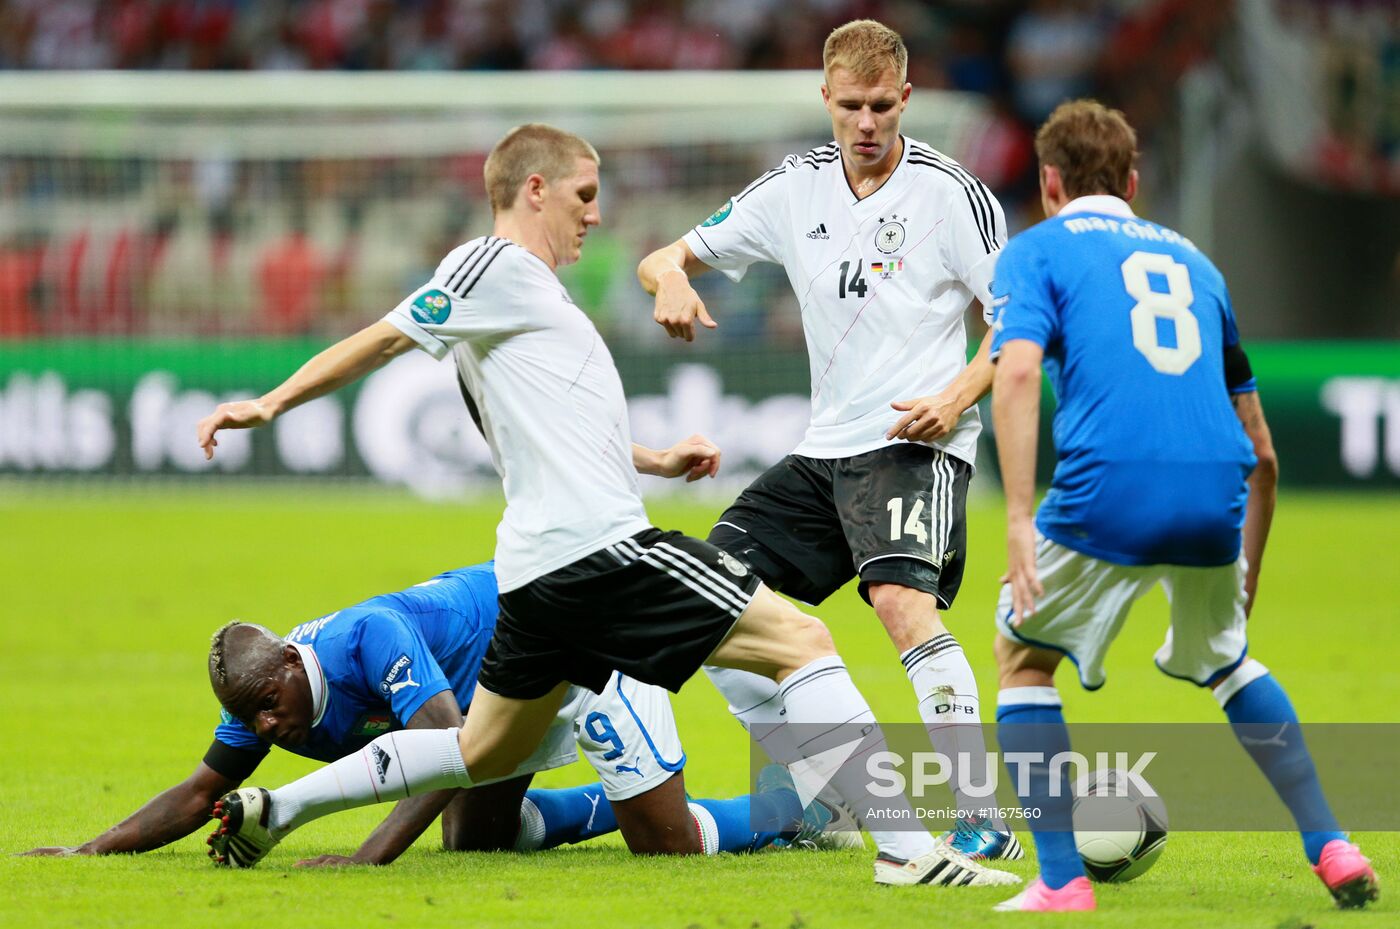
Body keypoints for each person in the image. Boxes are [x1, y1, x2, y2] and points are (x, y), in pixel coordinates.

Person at [194, 123, 1017, 887]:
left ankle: (280, 810)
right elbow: (384, 335)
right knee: (801, 639)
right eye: (585, 195)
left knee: (478, 748)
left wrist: (655, 458)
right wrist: (268, 404)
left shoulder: (534, 302)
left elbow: (543, 429)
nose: (597, 212)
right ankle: (909, 853)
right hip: (601, 552)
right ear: (536, 188)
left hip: (533, 575)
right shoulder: (490, 266)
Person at [637, 19, 1018, 859]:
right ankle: (830, 796)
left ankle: (983, 812)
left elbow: (1020, 318)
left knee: (898, 602)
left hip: (914, 443)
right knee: (710, 603)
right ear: (826, 100)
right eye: (851, 106)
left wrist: (955, 396)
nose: (868, 122)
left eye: (883, 105)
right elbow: (667, 253)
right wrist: (667, 278)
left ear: (906, 99)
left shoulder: (951, 193)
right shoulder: (793, 189)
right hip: (823, 452)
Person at [986, 99, 1378, 912]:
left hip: (1106, 486)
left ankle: (1060, 880)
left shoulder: (1036, 250)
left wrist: (1020, 516)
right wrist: (1247, 569)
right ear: (1133, 181)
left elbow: (1017, 374)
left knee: (1023, 656)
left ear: (1049, 181)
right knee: (1230, 659)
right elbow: (1263, 449)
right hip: (1218, 492)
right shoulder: (1198, 264)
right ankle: (1331, 843)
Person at [21, 564, 814, 865]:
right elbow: (198, 793)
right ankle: (619, 794)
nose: (266, 728)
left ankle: (797, 803)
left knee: (666, 846)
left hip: (579, 652)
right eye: (251, 719)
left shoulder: (370, 636)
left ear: (294, 666)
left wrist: (367, 859)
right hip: (506, 707)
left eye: (268, 707)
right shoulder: (262, 692)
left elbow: (453, 747)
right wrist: (88, 851)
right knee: (478, 838)